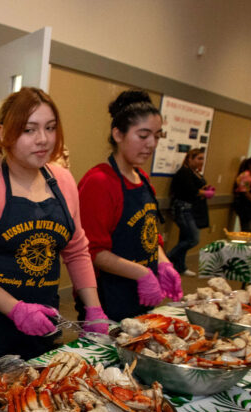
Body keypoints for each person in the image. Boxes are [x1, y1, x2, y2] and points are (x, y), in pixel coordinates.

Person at [0, 87, 108, 384]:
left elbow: (77, 250)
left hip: (43, 323)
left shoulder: (64, 181)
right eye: (29, 130)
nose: (43, 139)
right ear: (4, 132)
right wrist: (16, 310)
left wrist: (93, 308)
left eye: (50, 128)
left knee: (38, 403)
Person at [77, 89, 182, 322]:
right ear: (118, 134)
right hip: (108, 297)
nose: (152, 144)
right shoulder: (99, 182)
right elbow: (91, 251)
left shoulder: (143, 179)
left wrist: (164, 264)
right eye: (143, 136)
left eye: (157, 136)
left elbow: (150, 236)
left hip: (140, 296)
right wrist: (142, 273)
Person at [168, 147, 215, 276]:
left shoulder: (196, 173)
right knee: (193, 239)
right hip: (183, 208)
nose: (201, 161)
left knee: (184, 238)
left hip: (194, 208)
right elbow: (190, 190)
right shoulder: (184, 172)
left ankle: (180, 267)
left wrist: (206, 189)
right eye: (199, 158)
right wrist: (204, 192)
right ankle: (166, 259)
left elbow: (199, 187)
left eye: (203, 158)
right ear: (190, 158)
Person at [232, 156, 251, 232]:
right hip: (242, 202)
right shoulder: (245, 175)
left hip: (249, 202)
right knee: (247, 227)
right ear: (250, 165)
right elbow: (245, 192)